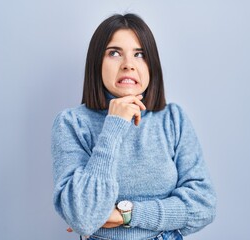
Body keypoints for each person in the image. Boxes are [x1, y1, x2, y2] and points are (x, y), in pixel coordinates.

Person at [51, 13, 216, 240]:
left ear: (152, 65)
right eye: (114, 53)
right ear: (97, 62)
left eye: (139, 54)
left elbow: (203, 205)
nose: (128, 65)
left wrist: (125, 214)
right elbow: (83, 216)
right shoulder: (72, 124)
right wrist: (114, 125)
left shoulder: (173, 119)